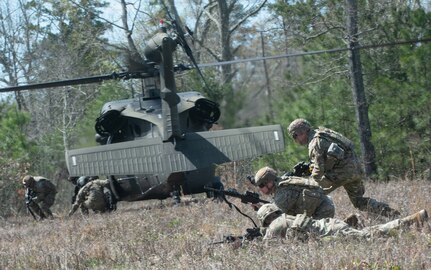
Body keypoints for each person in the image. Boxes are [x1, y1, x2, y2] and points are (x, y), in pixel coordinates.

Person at [287, 118, 400, 217]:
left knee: (311, 195)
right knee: (359, 201)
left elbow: (318, 173)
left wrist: (307, 182)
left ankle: (315, 226)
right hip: (355, 169)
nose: (295, 140)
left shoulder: (314, 143)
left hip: (340, 174)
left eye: (294, 136)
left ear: (301, 133)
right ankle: (391, 213)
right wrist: (309, 168)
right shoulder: (324, 133)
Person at [257, 203, 428, 241]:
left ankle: (413, 221)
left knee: (370, 236)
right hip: (331, 225)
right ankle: (413, 221)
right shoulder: (287, 217)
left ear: (266, 220)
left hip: (333, 234)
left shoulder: (274, 226)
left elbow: (266, 249)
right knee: (370, 231)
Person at [253, 166, 335, 219]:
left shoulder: (282, 192)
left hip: (322, 211)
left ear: (269, 182)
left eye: (261, 186)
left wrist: (262, 210)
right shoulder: (284, 181)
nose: (260, 190)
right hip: (325, 204)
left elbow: (278, 219)